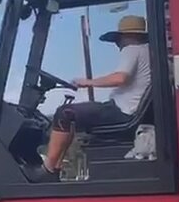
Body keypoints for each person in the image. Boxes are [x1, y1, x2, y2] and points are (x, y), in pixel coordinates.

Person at [30, 14, 151, 182]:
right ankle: (55, 168)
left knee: (65, 113)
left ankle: (47, 169)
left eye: (118, 39)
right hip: (131, 112)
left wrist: (87, 82)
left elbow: (120, 78)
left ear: (128, 36)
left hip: (122, 112)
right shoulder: (150, 53)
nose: (117, 43)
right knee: (71, 118)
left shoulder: (132, 48)